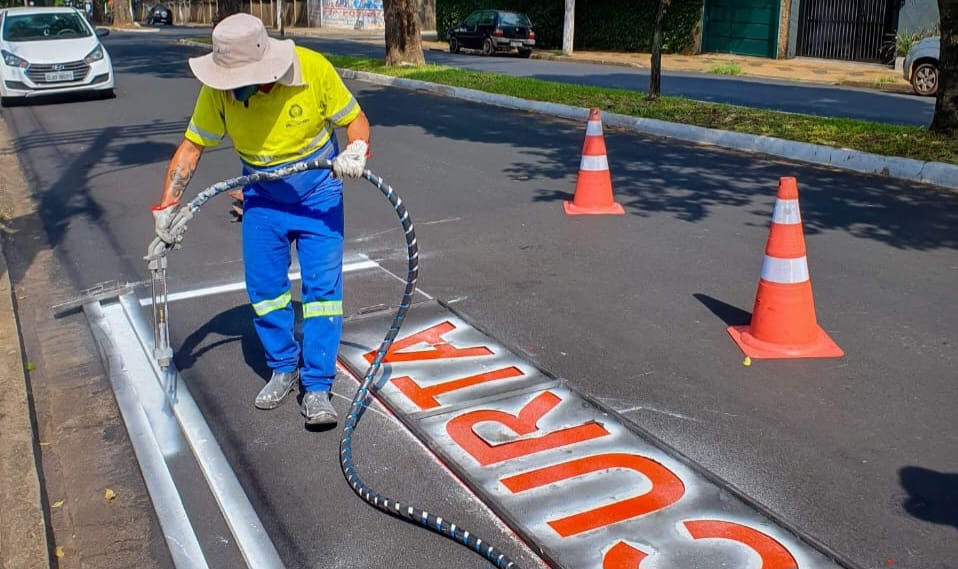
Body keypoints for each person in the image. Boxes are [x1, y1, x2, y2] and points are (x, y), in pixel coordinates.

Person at [151, 13, 370, 427]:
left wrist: (356, 148)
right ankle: (283, 366)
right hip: (262, 198)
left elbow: (355, 121)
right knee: (265, 290)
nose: (233, 89)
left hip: (318, 197)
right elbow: (191, 149)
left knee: (323, 293)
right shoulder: (220, 92)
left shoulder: (313, 70)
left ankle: (318, 385)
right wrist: (167, 208)